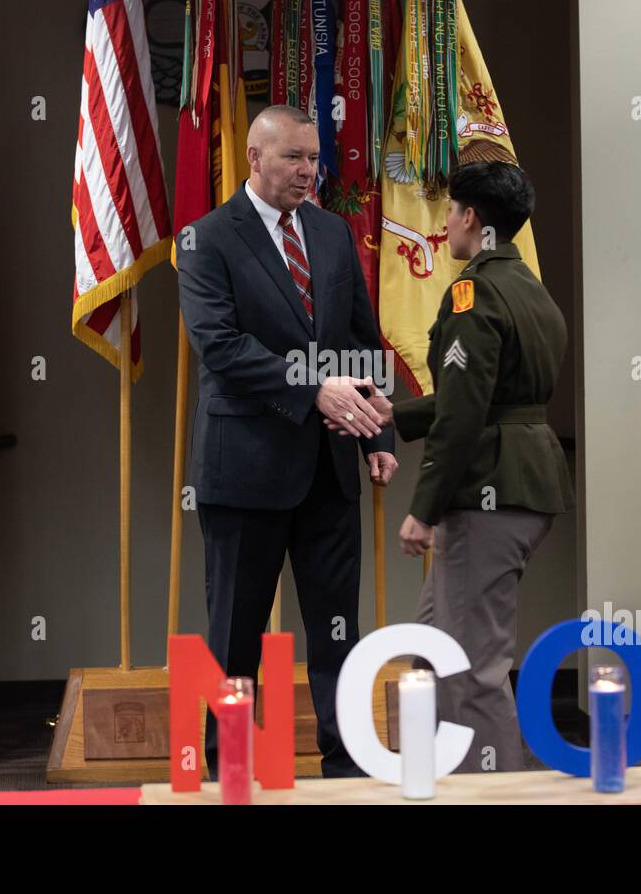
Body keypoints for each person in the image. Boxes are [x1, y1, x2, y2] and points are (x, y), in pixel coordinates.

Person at [177, 104, 397, 778]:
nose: (310, 171)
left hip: (329, 467)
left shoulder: (331, 234)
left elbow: (359, 338)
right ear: (255, 158)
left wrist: (376, 432)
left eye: (314, 158)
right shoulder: (206, 238)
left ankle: (348, 767)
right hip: (245, 470)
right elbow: (219, 347)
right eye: (295, 158)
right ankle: (226, 770)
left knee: (338, 630)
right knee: (234, 636)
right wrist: (313, 390)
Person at [342, 161, 573, 773]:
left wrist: (422, 510)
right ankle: (439, 776)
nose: (444, 225)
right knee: (430, 652)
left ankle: (496, 791)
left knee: (470, 666)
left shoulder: (474, 292)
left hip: (488, 491)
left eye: (449, 213)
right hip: (526, 480)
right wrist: (397, 413)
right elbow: (482, 395)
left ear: (472, 218)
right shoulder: (530, 290)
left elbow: (465, 416)